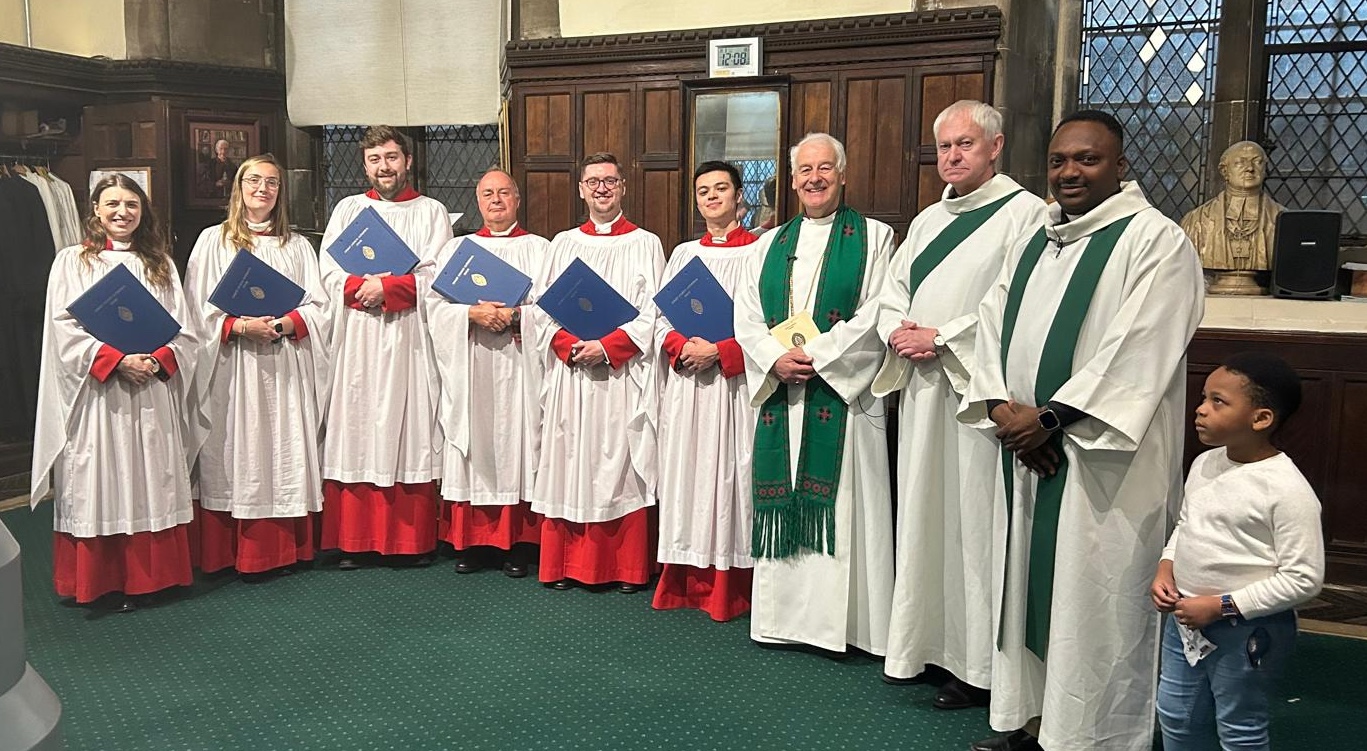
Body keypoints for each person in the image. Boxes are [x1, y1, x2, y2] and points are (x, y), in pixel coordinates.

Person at [961, 110, 1204, 751]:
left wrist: (1047, 421)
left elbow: (1137, 350)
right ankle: (1031, 721)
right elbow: (990, 328)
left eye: (1087, 160)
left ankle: (1093, 735)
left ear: (1120, 167)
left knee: (1092, 600)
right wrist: (1001, 412)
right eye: (1061, 160)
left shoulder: (1155, 241)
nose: (1070, 172)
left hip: (1102, 463)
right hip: (1028, 453)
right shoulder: (1034, 240)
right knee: (1026, 590)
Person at [872, 101, 1047, 708]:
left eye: (965, 145)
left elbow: (1015, 300)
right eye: (944, 147)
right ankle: (925, 646)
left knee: (973, 524)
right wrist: (897, 329)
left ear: (995, 147)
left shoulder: (1026, 214)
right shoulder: (926, 221)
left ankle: (977, 665)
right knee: (925, 515)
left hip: (977, 393)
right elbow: (893, 290)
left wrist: (941, 338)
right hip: (923, 392)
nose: (952, 156)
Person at [733, 132, 896, 655]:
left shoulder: (874, 237)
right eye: (805, 170)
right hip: (785, 390)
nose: (814, 178)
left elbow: (878, 310)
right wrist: (774, 359)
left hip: (840, 397)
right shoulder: (767, 243)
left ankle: (846, 628)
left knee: (846, 508)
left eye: (825, 168)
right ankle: (783, 621)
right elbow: (747, 316)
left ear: (842, 174)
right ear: (792, 178)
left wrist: (820, 357)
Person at [31, 173, 200, 611]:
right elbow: (61, 328)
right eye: (112, 204)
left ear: (143, 212)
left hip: (151, 390)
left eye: (131, 205)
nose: (122, 212)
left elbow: (185, 330)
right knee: (101, 475)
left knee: (151, 475)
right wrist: (114, 360)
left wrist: (156, 359)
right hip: (98, 394)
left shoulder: (157, 262)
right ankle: (104, 580)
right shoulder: (73, 262)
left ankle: (152, 578)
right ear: (95, 211)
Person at [1153, 352, 1324, 751]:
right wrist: (1166, 568)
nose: (1200, 409)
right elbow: (1186, 526)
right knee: (1176, 716)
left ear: (1261, 419)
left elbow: (1304, 579)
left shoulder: (1285, 489)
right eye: (1203, 397)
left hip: (1248, 628)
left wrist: (1222, 605)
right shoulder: (1205, 463)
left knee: (1239, 725)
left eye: (1218, 401)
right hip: (1185, 620)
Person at [183, 155, 330, 580]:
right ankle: (230, 551)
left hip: (284, 363)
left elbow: (320, 308)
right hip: (232, 366)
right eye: (254, 181)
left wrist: (285, 324)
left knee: (281, 446)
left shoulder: (297, 245)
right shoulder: (213, 241)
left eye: (271, 183)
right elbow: (195, 309)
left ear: (280, 192)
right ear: (239, 187)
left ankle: (285, 549)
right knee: (234, 445)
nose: (262, 189)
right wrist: (239, 325)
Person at [319, 125, 453, 569]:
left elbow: (438, 275)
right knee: (357, 424)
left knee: (409, 425)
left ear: (408, 161)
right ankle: (355, 541)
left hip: (409, 335)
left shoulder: (431, 211)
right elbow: (328, 272)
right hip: (359, 335)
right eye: (375, 159)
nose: (385, 167)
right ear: (365, 164)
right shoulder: (348, 209)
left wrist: (390, 288)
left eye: (392, 157)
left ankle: (410, 542)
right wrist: (365, 288)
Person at [530, 152, 664, 593]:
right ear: (581, 189)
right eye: (593, 182)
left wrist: (608, 347)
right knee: (570, 457)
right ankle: (564, 562)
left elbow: (655, 315)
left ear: (623, 186)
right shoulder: (563, 244)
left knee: (620, 461)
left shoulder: (646, 243)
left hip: (620, 374)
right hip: (572, 375)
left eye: (610, 180)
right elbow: (541, 312)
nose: (602, 189)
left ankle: (625, 567)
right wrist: (571, 347)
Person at [425, 168, 548, 578]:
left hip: (518, 366)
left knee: (518, 444)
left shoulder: (541, 249)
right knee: (475, 445)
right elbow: (434, 308)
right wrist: (470, 313)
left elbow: (550, 311)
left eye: (504, 193)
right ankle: (473, 542)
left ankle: (519, 542)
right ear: (478, 202)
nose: (496, 201)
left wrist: (516, 316)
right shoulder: (456, 250)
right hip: (472, 362)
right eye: (487, 194)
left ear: (517, 199)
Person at [652, 160, 760, 621]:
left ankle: (732, 586)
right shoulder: (682, 254)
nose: (712, 197)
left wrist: (721, 352)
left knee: (731, 475)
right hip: (689, 383)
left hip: (733, 388)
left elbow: (769, 322)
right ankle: (684, 578)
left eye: (721, 188)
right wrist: (683, 347)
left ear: (739, 196)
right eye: (703, 191)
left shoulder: (762, 250)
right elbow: (660, 319)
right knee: (689, 473)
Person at [1180, 141, 1284, 274]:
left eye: (1257, 162)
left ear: (1265, 168)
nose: (1250, 168)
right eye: (1240, 162)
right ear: (1225, 171)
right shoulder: (1196, 220)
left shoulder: (1284, 220)